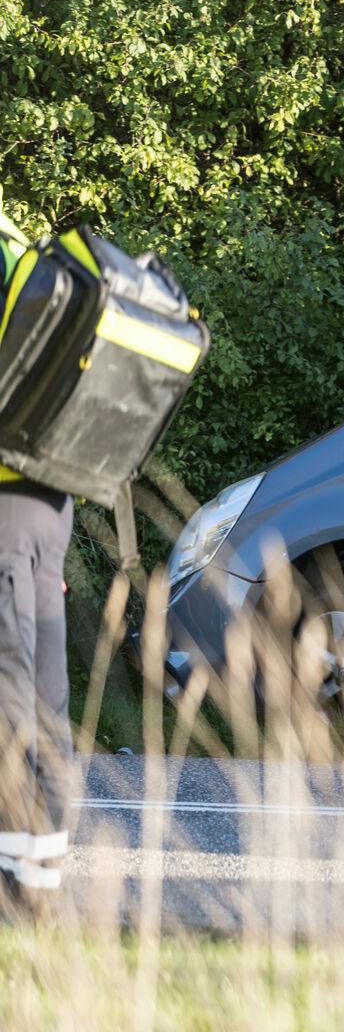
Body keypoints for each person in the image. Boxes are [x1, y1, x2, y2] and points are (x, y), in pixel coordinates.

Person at [0, 194, 74, 910]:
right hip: (50, 505)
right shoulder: (21, 247)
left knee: (7, 696)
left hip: (5, 510)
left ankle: (20, 887)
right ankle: (38, 883)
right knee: (43, 698)